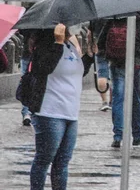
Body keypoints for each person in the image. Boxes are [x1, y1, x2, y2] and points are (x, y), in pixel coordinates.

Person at [29, 24, 94, 190]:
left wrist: (89, 56)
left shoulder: (70, 45)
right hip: (50, 111)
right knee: (44, 159)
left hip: (71, 113)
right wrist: (57, 44)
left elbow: (75, 72)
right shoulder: (45, 46)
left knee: (62, 162)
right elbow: (44, 68)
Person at [97, 16, 140, 148]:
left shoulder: (112, 20)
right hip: (135, 65)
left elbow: (100, 44)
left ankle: (118, 136)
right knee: (135, 99)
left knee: (118, 99)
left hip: (117, 65)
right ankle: (137, 135)